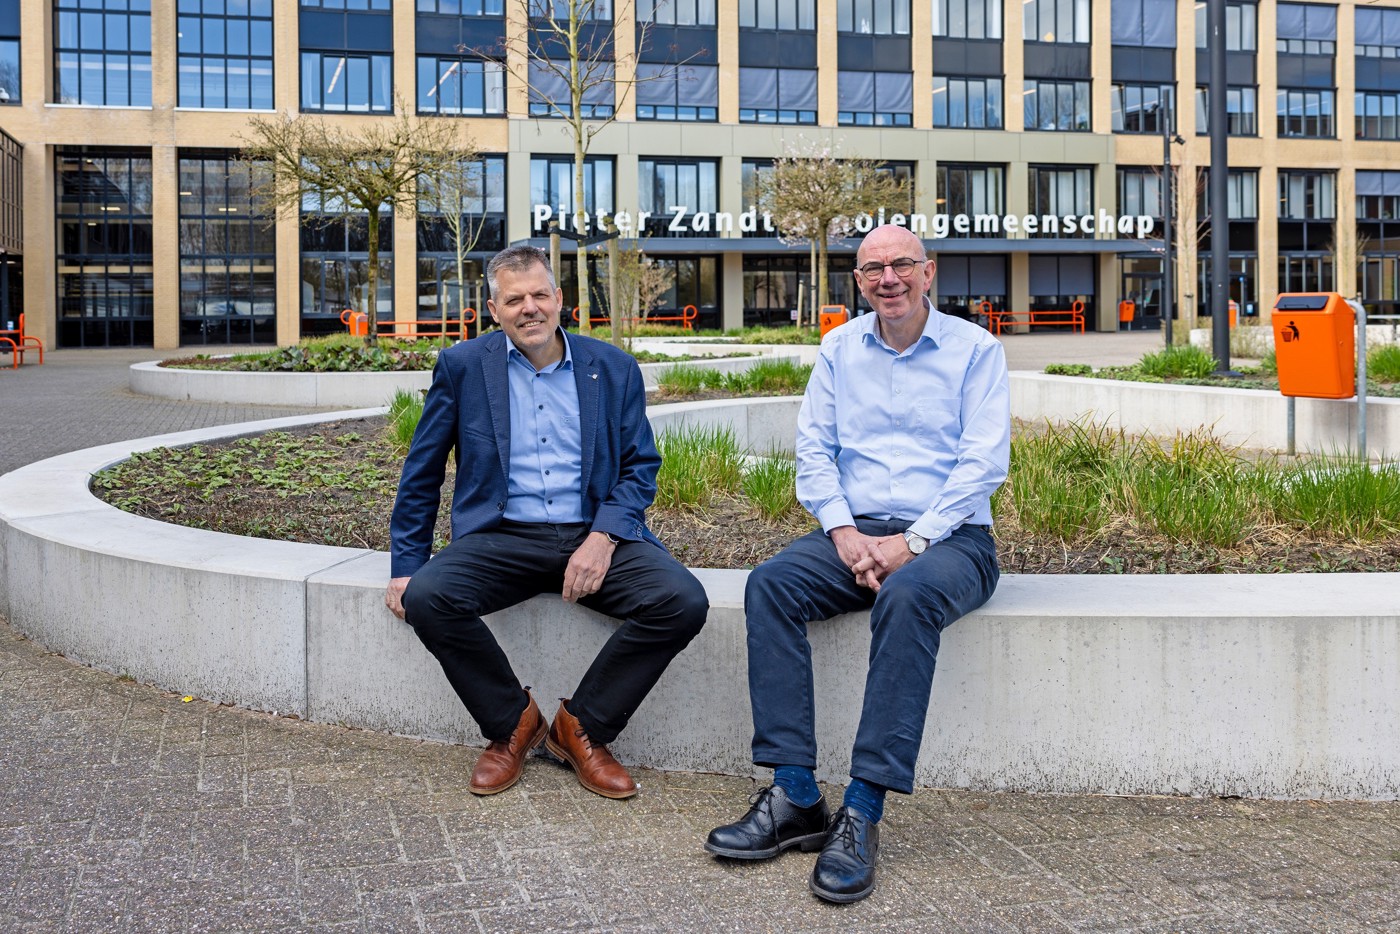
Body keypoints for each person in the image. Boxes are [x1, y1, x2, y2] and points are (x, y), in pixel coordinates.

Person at [705, 224, 1010, 903]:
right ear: (859, 279)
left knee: (907, 598)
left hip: (954, 539)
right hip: (855, 533)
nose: (888, 278)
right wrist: (843, 534)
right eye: (873, 268)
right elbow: (814, 450)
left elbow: (982, 464)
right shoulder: (841, 347)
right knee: (772, 585)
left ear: (928, 273)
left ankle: (863, 809)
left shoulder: (975, 350)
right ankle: (795, 797)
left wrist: (914, 543)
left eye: (902, 264)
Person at [385, 244, 708, 800]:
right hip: (501, 537)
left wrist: (605, 537)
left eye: (540, 295)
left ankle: (580, 729)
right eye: (515, 300)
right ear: (493, 309)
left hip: (593, 532)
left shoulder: (612, 368)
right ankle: (512, 723)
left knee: (682, 601)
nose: (529, 308)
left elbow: (640, 467)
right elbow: (423, 471)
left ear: (561, 299)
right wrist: (407, 564)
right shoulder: (462, 368)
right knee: (429, 597)